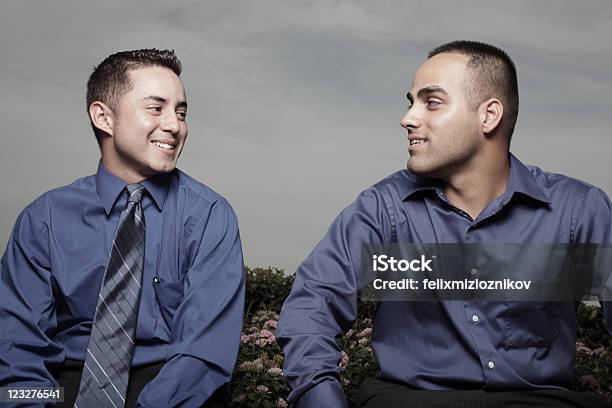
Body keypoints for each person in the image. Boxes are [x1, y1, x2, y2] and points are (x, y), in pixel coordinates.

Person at [277, 41, 611, 408]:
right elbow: (313, 307)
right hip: (410, 401)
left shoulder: (578, 211)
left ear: (489, 115)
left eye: (431, 102)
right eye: (411, 102)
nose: (408, 118)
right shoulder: (382, 210)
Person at [0, 49, 245, 407]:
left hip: (167, 392)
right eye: (156, 108)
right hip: (61, 389)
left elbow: (202, 356)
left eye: (181, 112)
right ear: (104, 117)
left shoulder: (210, 216)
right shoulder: (44, 219)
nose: (175, 125)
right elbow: (17, 349)